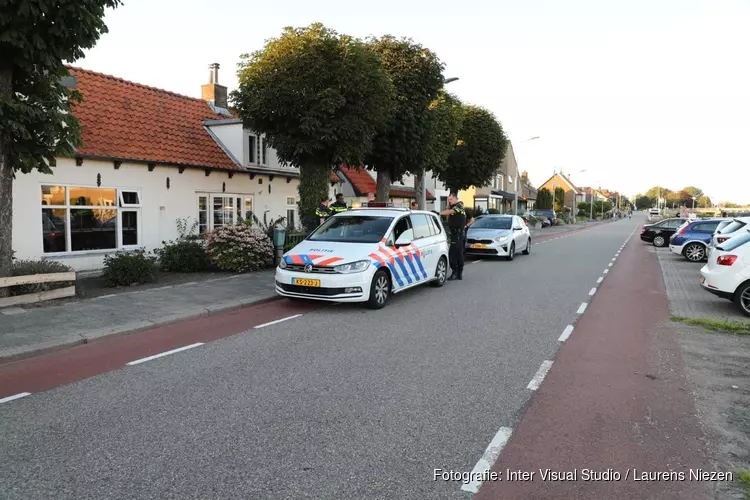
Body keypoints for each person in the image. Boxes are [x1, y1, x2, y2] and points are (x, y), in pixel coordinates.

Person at [440, 194, 472, 280]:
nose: (449, 201)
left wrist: (440, 213)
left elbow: (450, 212)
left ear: (455, 199)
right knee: (459, 253)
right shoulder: (460, 208)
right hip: (459, 234)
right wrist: (466, 226)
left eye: (450, 199)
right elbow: (471, 219)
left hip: (457, 234)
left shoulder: (458, 206)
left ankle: (455, 272)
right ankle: (459, 273)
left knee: (452, 254)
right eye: (448, 200)